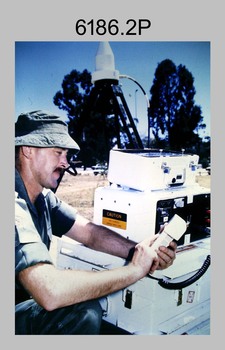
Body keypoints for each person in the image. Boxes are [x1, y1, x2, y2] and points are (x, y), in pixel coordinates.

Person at [15, 110, 177, 335]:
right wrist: (133, 271)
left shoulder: (43, 199)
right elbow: (49, 292)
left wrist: (142, 251)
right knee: (82, 311)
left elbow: (90, 233)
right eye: (57, 152)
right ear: (27, 150)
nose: (65, 161)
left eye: (66, 153)